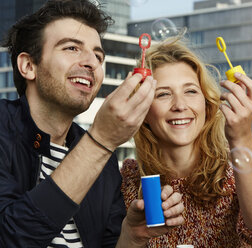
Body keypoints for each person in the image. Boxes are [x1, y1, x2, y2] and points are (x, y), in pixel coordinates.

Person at [0, 0, 184, 247]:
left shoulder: (104, 161)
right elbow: (11, 236)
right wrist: (100, 141)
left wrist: (131, 234)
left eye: (98, 55)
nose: (91, 63)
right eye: (71, 48)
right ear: (28, 65)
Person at [121, 37, 252, 247]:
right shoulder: (129, 180)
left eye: (190, 91)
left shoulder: (246, 168)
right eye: (163, 94)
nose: (180, 105)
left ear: (207, 104)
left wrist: (242, 137)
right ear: (143, 110)